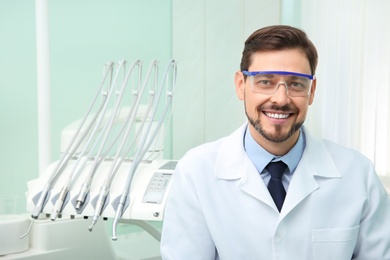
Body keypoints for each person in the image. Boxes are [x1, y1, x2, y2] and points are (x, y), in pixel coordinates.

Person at [160, 25, 390, 259]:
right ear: (241, 85)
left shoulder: (357, 174)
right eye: (265, 82)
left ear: (311, 91)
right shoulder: (196, 172)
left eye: (296, 84)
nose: (281, 99)